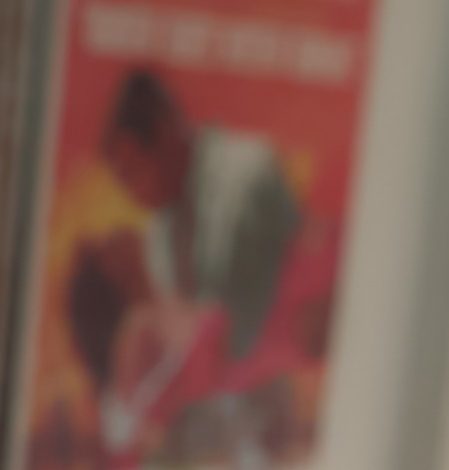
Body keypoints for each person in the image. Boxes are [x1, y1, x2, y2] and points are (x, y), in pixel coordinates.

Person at [100, 67, 303, 364]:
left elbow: (292, 290)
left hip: (268, 370)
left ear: (163, 131)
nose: (134, 194)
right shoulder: (160, 234)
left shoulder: (249, 172)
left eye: (133, 172)